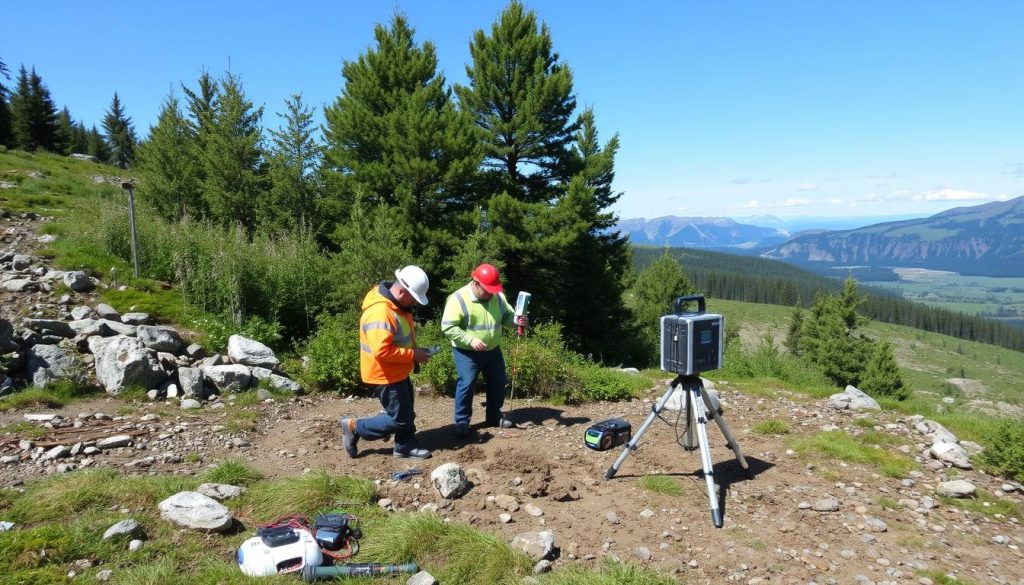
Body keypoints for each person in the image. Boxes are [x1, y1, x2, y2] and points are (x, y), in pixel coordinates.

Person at [341, 265, 433, 459]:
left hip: (397, 371)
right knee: (400, 420)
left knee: (406, 416)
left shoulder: (397, 307)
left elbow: (399, 339)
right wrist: (413, 355)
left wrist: (415, 352)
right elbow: (381, 351)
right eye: (413, 298)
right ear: (401, 291)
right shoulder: (380, 312)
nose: (414, 304)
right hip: (384, 375)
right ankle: (355, 427)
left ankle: (404, 446)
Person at [441, 263, 527, 438]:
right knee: (466, 384)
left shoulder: (498, 297)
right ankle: (462, 422)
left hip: (493, 351)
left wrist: (517, 321)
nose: (490, 293)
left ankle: (494, 416)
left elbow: (508, 318)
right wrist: (470, 339)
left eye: (492, 290)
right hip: (466, 353)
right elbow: (448, 327)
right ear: (475, 283)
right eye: (487, 289)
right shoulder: (457, 299)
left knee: (498, 381)